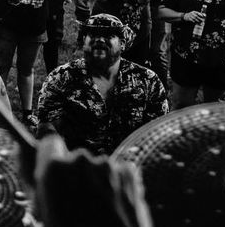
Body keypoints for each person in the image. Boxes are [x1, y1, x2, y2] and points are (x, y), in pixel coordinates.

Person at [35, 14, 169, 156]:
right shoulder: (60, 77)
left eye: (108, 35)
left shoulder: (148, 81)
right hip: (77, 168)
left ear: (123, 43)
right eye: (92, 35)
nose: (99, 39)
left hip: (129, 169)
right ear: (83, 41)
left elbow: (157, 135)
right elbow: (47, 132)